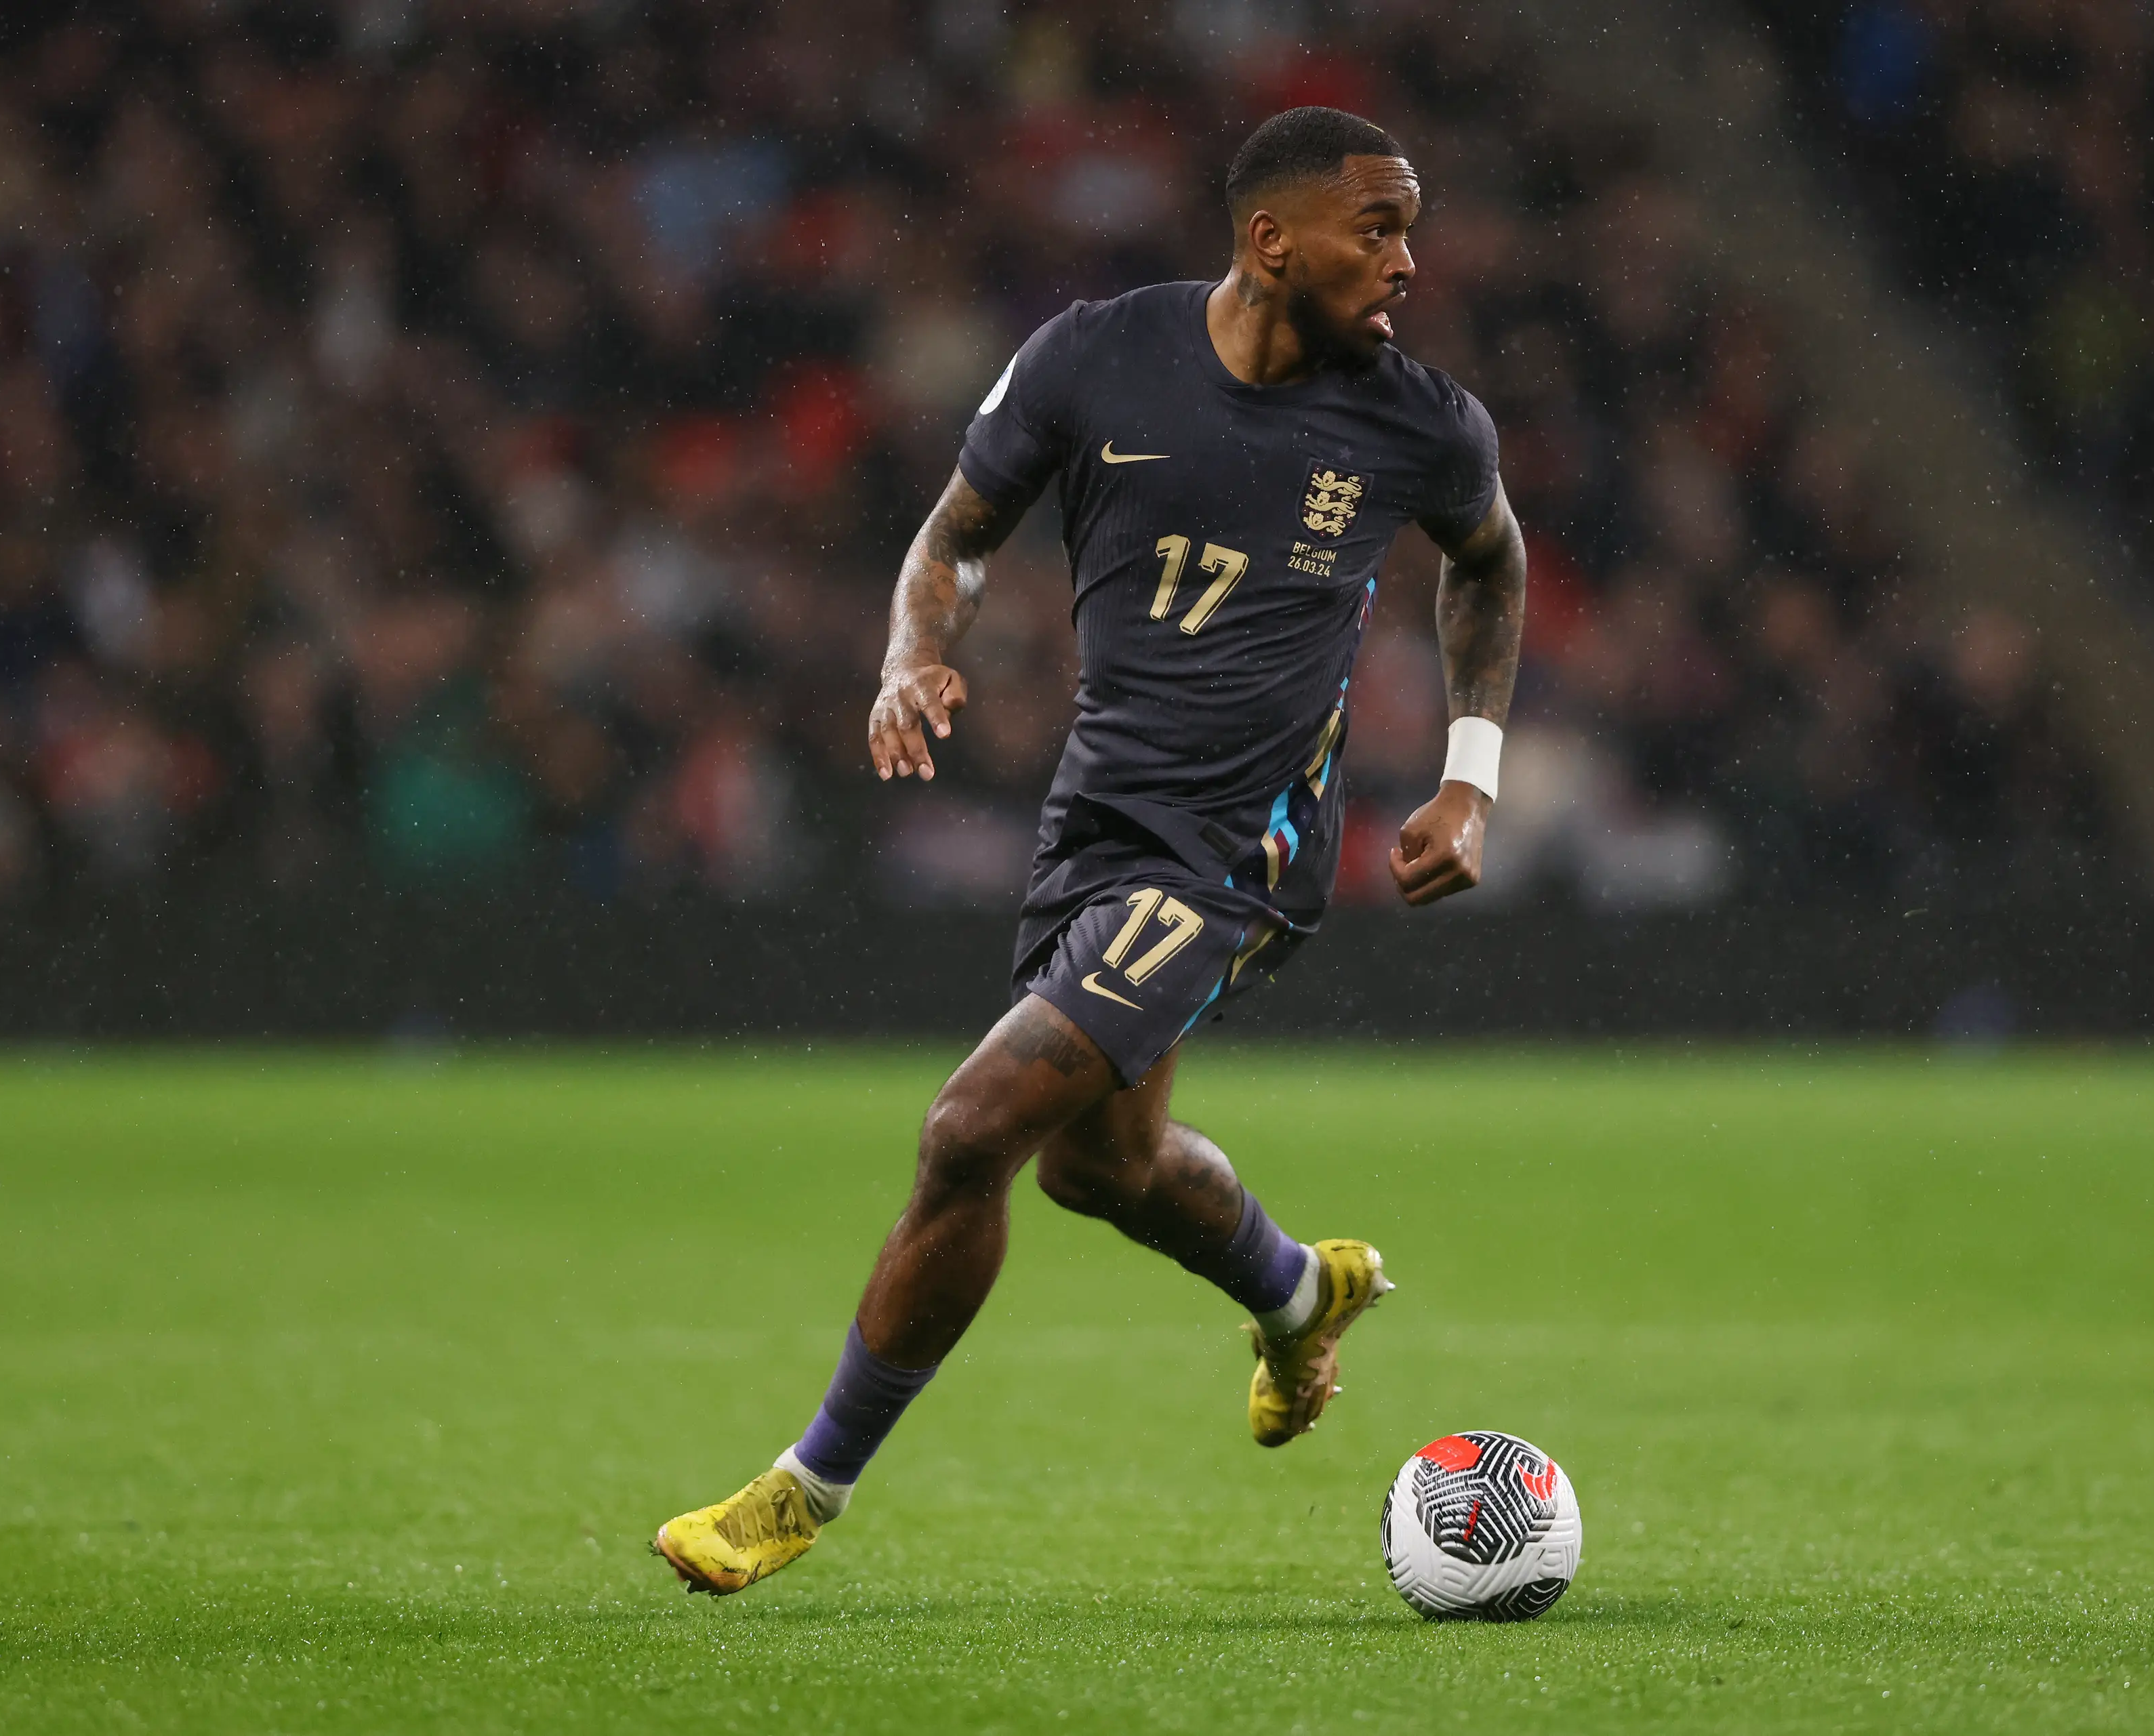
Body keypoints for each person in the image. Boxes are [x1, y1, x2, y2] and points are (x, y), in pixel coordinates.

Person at [651, 106, 1528, 1596]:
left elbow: (1490, 561)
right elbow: (954, 536)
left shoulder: (1420, 420)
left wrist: (1470, 776)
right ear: (1271, 240)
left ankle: (806, 1488)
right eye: (1377, 229)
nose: (1406, 262)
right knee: (1098, 1168)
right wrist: (911, 655)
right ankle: (1296, 1293)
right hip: (1099, 818)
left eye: (1411, 229)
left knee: (969, 1133)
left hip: (1239, 851)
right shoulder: (1091, 357)